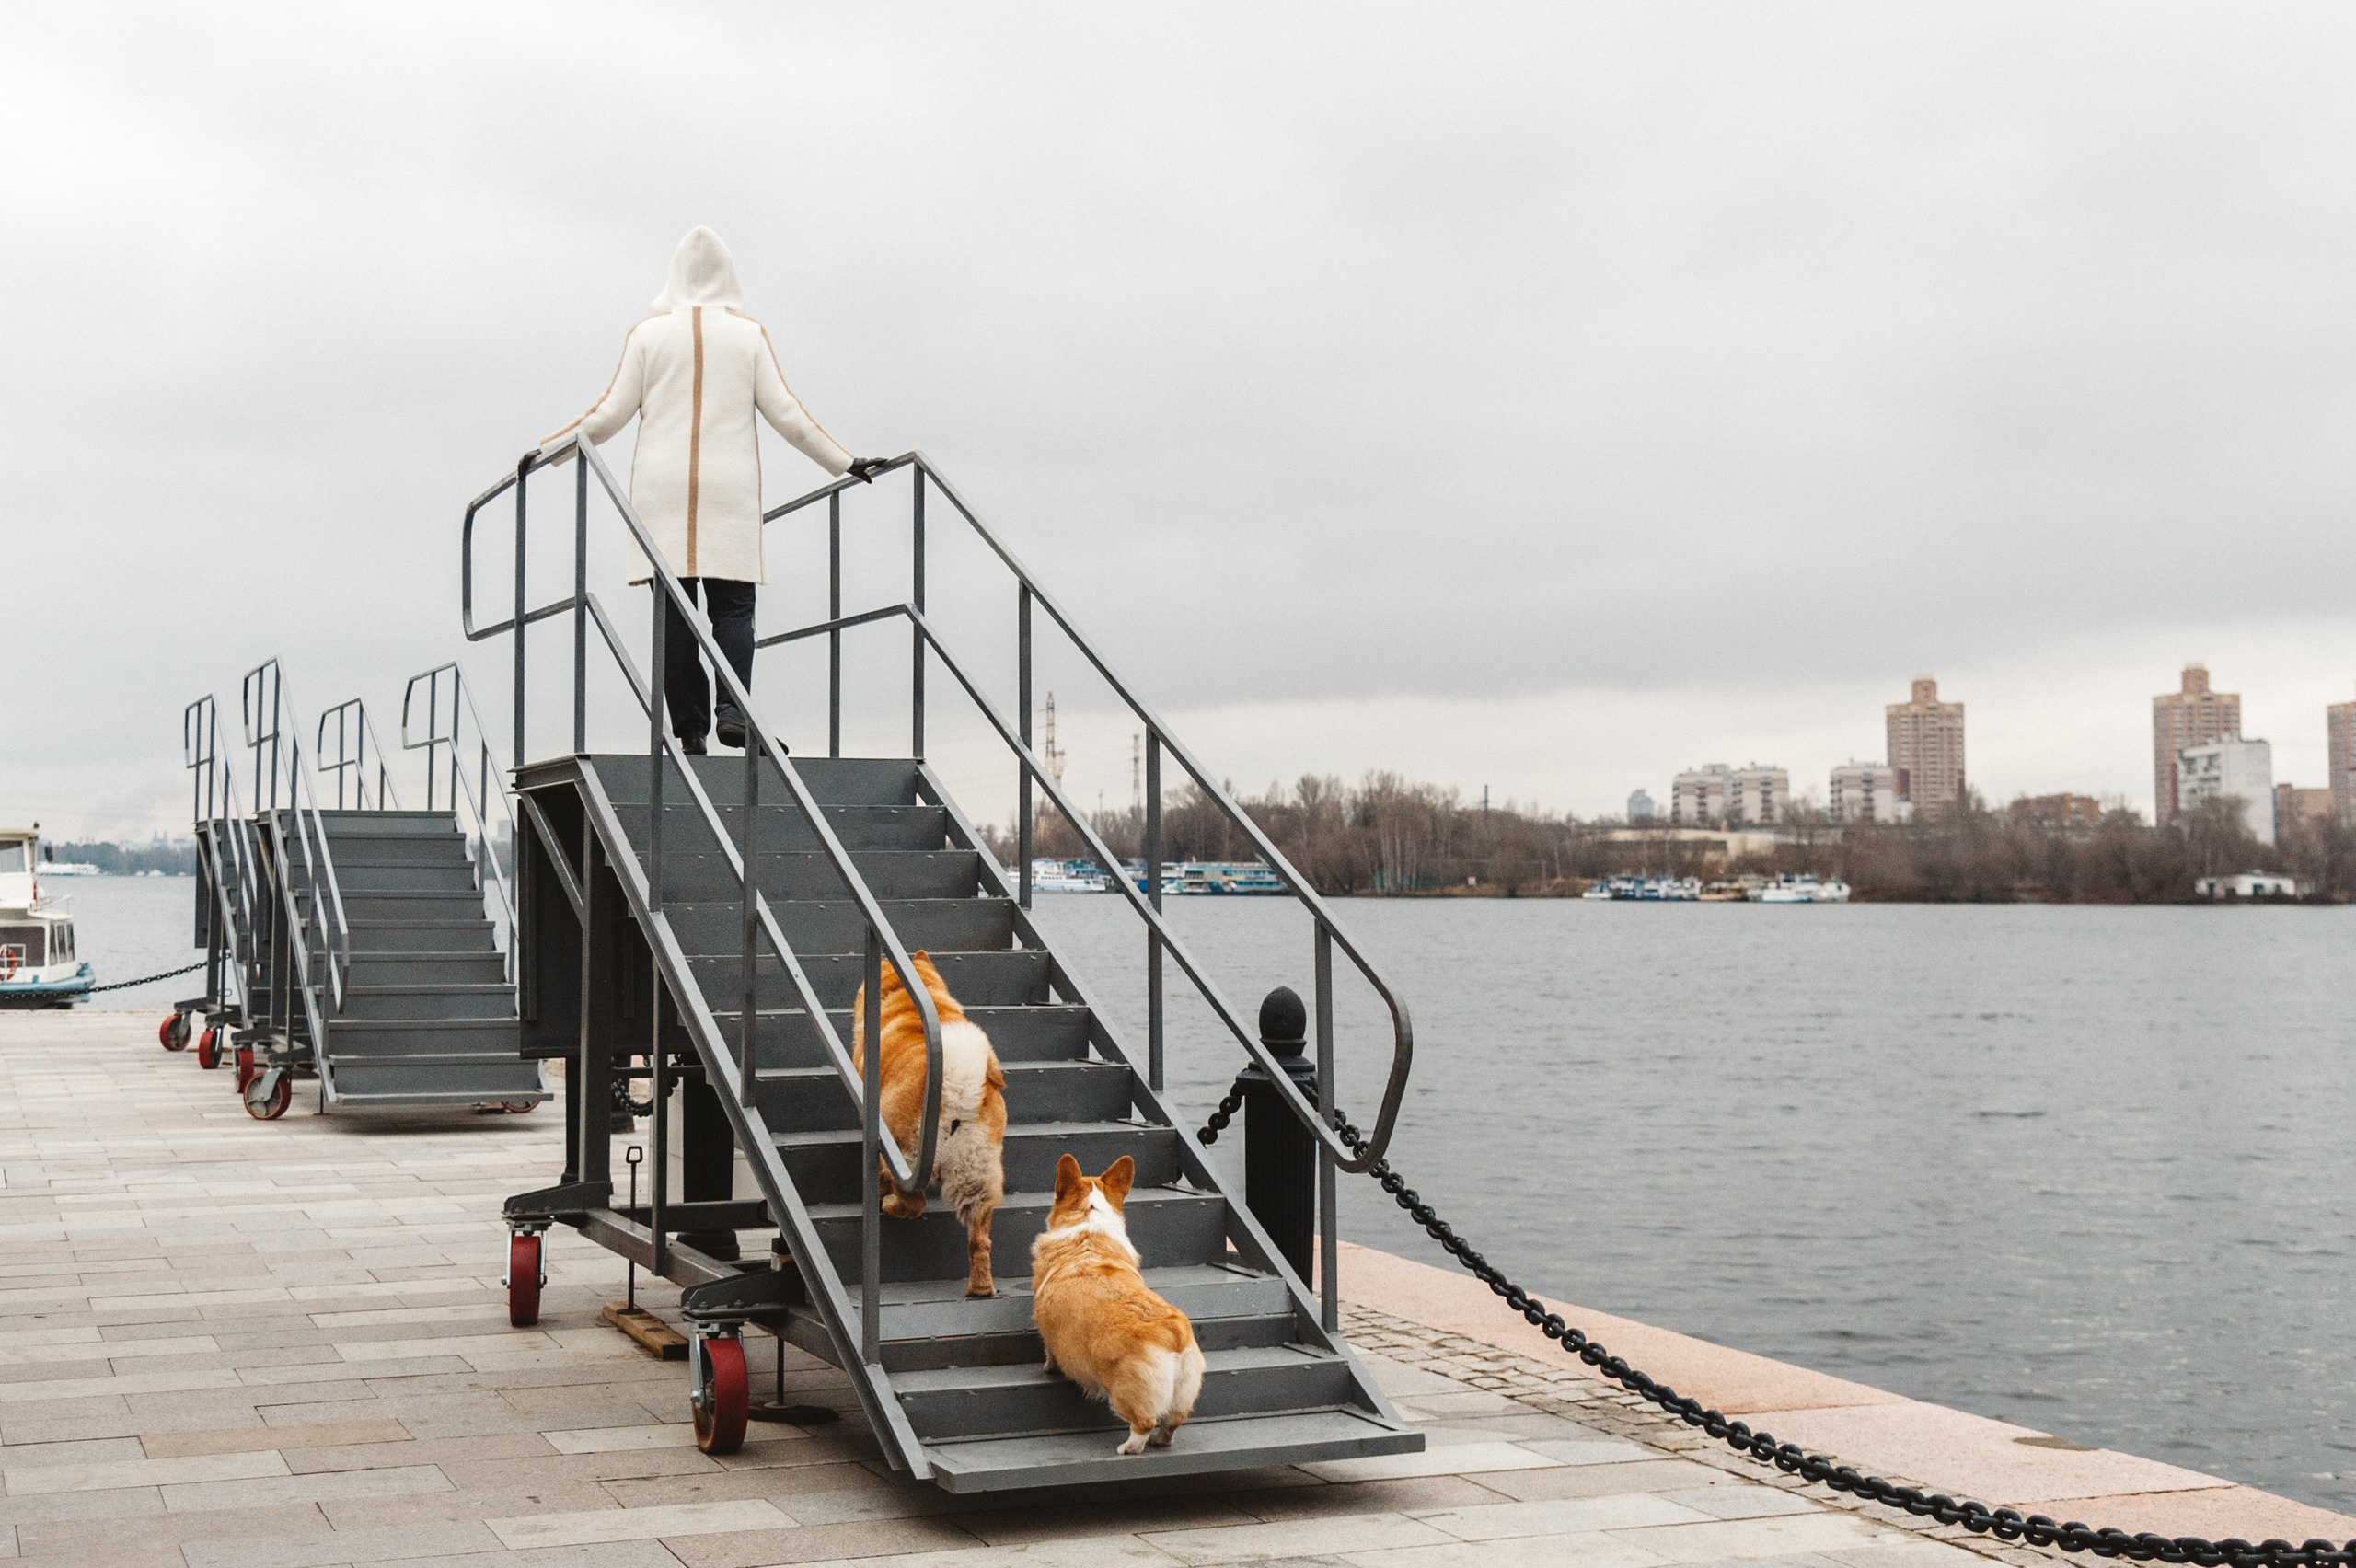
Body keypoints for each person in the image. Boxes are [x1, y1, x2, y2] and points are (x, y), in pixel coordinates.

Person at [541, 227, 885, 754]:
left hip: (661, 493)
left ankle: (691, 731)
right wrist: (845, 461)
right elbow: (789, 416)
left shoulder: (647, 337)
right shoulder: (748, 337)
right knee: (733, 608)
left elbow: (607, 415)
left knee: (674, 613)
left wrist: (548, 449)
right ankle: (734, 711)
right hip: (729, 492)